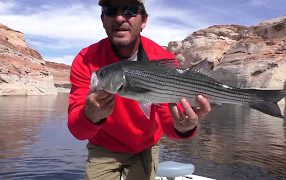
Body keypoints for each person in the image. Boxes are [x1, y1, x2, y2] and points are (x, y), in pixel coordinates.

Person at [68, 0, 211, 179]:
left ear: (144, 20)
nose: (120, 18)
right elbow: (78, 131)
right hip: (103, 149)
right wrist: (90, 115)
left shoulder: (163, 59)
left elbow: (170, 121)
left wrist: (184, 127)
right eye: (111, 10)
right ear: (103, 19)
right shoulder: (85, 59)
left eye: (130, 10)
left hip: (146, 147)